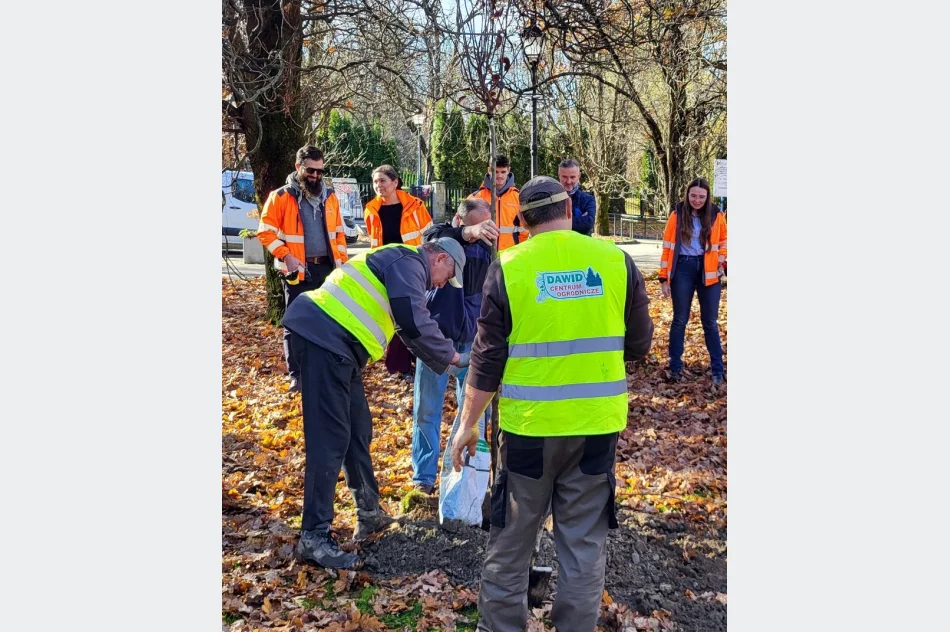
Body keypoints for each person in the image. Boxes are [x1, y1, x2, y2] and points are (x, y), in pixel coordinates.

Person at [449, 176, 654, 632]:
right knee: (583, 546)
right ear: (570, 210)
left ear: (521, 221)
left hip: (528, 433)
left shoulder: (510, 266)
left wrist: (468, 425)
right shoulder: (615, 261)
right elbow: (640, 344)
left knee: (512, 540)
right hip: (596, 428)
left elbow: (486, 359)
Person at [282, 238, 469, 569]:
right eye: (446, 275)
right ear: (439, 258)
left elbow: (410, 332)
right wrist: (454, 356)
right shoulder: (407, 262)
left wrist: (448, 361)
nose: (442, 284)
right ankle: (313, 536)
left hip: (340, 349)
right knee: (330, 439)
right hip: (322, 339)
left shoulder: (405, 270)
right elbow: (412, 320)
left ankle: (368, 512)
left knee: (357, 431)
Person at [410, 198, 499, 495]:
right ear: (463, 222)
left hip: (472, 341)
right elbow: (433, 238)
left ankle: (466, 478)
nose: (486, 232)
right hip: (437, 340)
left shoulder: (486, 249)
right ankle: (423, 479)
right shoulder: (440, 236)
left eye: (489, 225)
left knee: (473, 413)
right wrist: (468, 233)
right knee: (426, 410)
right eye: (480, 226)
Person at [257, 145, 349, 393]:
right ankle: (297, 375)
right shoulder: (281, 196)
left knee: (329, 323)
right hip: (298, 272)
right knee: (296, 325)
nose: (316, 176)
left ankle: (324, 370)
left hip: (328, 271)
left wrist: (340, 264)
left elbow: (339, 234)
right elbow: (264, 232)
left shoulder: (330, 197)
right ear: (298, 167)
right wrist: (286, 256)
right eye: (311, 170)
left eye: (320, 171)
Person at [364, 165, 433, 381]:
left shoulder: (416, 206)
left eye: (383, 181)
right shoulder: (371, 210)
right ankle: (398, 366)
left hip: (411, 266)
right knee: (393, 314)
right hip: (384, 268)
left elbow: (430, 236)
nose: (378, 186)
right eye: (376, 182)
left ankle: (414, 360)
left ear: (395, 182)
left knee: (412, 313)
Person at [658, 177, 727, 385]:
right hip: (683, 269)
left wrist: (722, 260)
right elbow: (668, 246)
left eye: (702, 197)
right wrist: (664, 278)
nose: (697, 200)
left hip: (709, 271)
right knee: (680, 319)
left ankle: (717, 369)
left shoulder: (716, 215)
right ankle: (676, 366)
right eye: (693, 196)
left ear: (708, 197)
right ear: (687, 195)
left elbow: (724, 241)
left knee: (710, 322)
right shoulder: (677, 215)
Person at [470, 155, 525, 250]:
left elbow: (525, 230)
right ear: (489, 170)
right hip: (482, 256)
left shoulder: (518, 197)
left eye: (503, 172)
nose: (499, 176)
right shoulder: (475, 198)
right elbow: (464, 228)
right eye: (496, 171)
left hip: (510, 255)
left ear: (508, 170)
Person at [557, 158, 596, 236]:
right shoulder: (550, 198)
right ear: (559, 175)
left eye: (572, 177)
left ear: (579, 176)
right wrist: (579, 220)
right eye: (564, 177)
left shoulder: (588, 199)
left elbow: (588, 224)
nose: (568, 181)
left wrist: (557, 222)